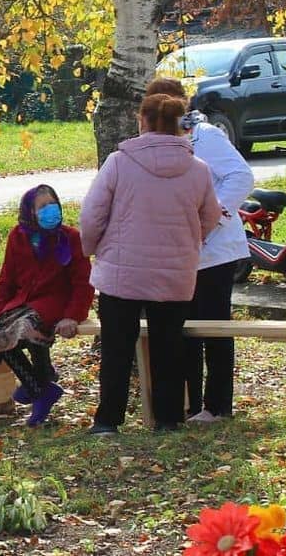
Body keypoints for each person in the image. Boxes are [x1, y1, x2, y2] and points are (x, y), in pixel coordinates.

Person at [80, 94, 222, 435]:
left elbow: (92, 214)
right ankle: (168, 419)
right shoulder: (198, 169)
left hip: (121, 272)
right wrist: (190, 242)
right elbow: (211, 216)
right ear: (178, 123)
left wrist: (93, 249)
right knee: (168, 348)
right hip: (175, 273)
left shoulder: (118, 162)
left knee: (117, 347)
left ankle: (108, 420)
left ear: (141, 120)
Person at [146, 77, 254, 424]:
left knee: (214, 326)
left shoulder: (205, 136)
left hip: (214, 252)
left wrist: (211, 217)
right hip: (178, 253)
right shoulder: (156, 143)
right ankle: (191, 404)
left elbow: (241, 176)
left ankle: (218, 405)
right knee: (184, 328)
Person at [0, 185, 93, 427]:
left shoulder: (70, 237)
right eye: (42, 207)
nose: (50, 211)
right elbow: (6, 280)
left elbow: (83, 283)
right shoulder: (18, 236)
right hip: (23, 302)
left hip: (54, 304)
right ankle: (40, 387)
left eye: (53, 205)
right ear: (30, 211)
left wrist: (72, 315)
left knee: (25, 327)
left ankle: (37, 386)